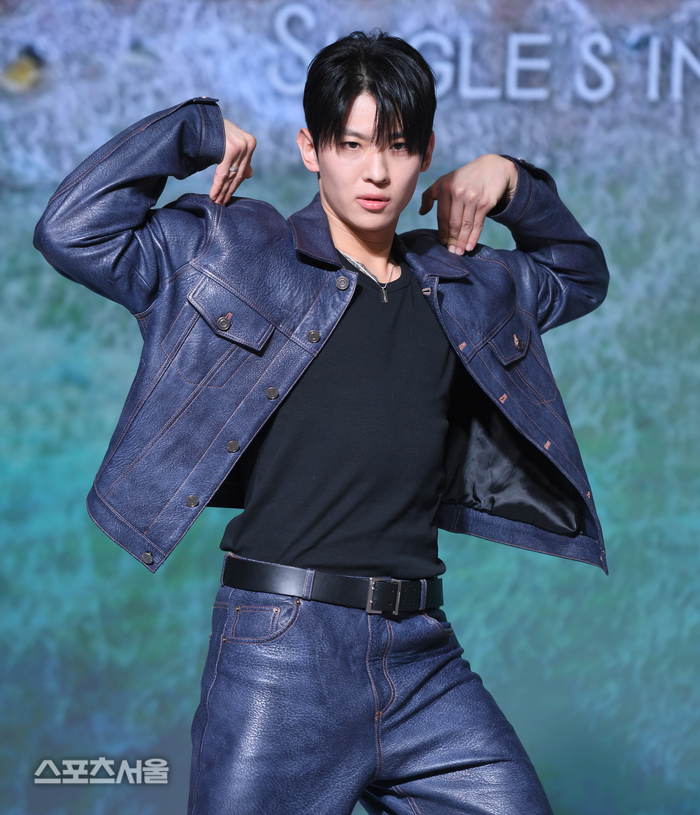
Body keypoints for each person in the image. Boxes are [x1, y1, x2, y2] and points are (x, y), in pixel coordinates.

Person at [35, 30, 608, 815]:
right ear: (311, 149)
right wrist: (190, 132)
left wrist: (512, 183)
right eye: (352, 144)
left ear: (426, 153)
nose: (376, 171)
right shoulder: (235, 250)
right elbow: (72, 228)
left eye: (398, 147)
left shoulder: (466, 285)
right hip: (281, 654)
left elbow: (579, 273)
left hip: (424, 659)